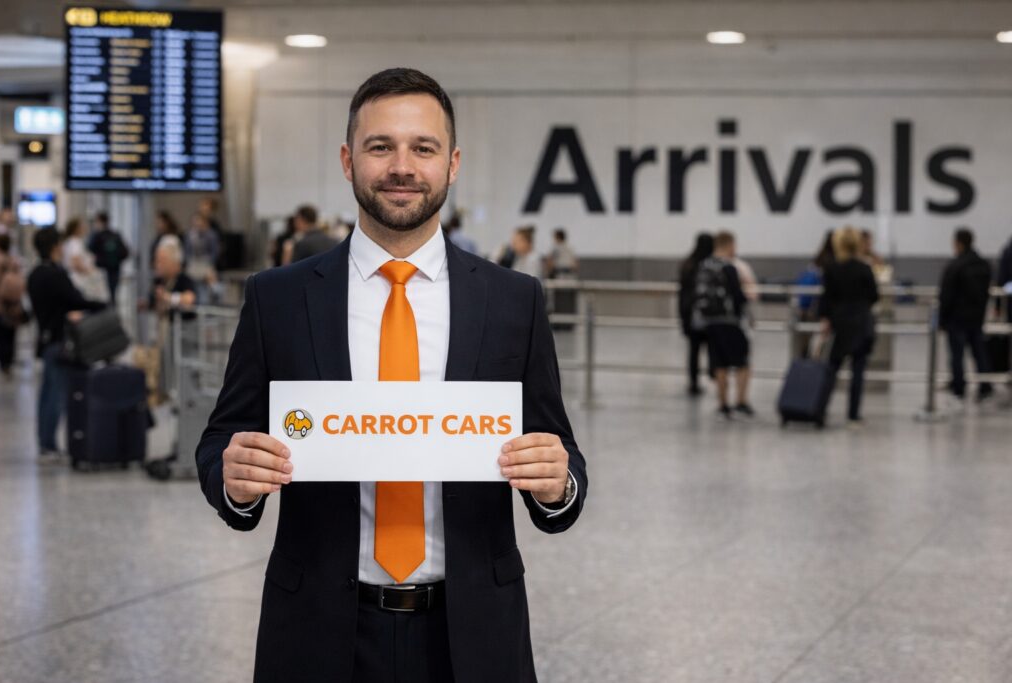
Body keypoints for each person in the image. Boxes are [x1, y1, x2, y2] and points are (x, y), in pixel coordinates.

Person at [196, 68, 587, 683]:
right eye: (381, 147)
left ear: (452, 164)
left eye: (423, 148)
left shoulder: (514, 301)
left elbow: (563, 459)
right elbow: (221, 440)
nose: (402, 166)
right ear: (349, 160)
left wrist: (557, 483)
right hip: (318, 631)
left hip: (473, 634)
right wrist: (233, 480)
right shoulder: (278, 298)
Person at [27, 227, 106, 462]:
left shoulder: (35, 274)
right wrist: (99, 305)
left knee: (46, 394)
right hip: (60, 341)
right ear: (54, 247)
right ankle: (49, 445)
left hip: (44, 338)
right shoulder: (55, 274)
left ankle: (45, 442)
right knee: (56, 395)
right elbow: (75, 299)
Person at [818, 227, 879, 426]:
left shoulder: (832, 268)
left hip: (840, 323)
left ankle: (820, 409)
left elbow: (826, 299)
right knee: (858, 370)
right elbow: (874, 296)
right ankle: (853, 414)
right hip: (861, 322)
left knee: (832, 367)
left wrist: (826, 318)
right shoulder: (864, 268)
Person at [693, 231, 752, 420]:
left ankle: (722, 404)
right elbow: (737, 296)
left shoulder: (703, 265)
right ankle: (741, 402)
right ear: (728, 245)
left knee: (719, 363)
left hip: (710, 322)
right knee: (742, 362)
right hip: (730, 321)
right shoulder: (729, 267)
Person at [939, 227, 993, 404]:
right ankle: (985, 386)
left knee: (957, 355)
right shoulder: (983, 264)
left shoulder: (955, 266)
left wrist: (942, 319)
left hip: (957, 319)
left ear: (958, 243)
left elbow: (946, 295)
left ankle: (958, 388)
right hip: (977, 317)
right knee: (979, 353)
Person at [678, 232, 714, 396]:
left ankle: (693, 383)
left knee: (693, 351)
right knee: (713, 348)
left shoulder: (688, 264)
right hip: (708, 314)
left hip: (690, 314)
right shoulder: (710, 265)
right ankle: (715, 376)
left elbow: (682, 293)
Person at [0, 234, 23, 377]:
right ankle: (9, 361)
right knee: (10, 333)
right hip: (11, 303)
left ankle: (3, 363)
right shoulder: (13, 260)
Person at [795, 230, 835, 358]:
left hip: (808, 308)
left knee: (807, 344)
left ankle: (806, 369)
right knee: (822, 346)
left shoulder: (817, 259)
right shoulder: (833, 263)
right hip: (822, 310)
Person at [62, 217, 108, 302]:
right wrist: (91, 272)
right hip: (79, 279)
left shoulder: (71, 242)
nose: (85, 228)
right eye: (83, 226)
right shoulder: (75, 242)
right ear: (77, 229)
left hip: (76, 277)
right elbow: (76, 263)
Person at [86, 211, 129, 303]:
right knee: (112, 295)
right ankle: (112, 313)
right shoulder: (115, 235)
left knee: (101, 296)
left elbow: (89, 248)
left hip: (101, 270)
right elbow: (125, 252)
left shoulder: (97, 236)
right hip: (114, 269)